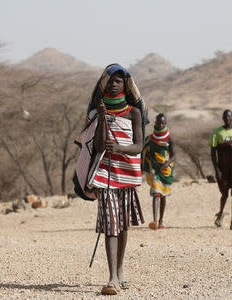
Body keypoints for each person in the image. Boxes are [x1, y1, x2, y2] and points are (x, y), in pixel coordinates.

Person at [76, 64, 146, 295]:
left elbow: (138, 146)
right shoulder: (98, 113)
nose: (114, 84)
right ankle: (112, 278)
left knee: (123, 225)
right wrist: (103, 119)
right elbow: (96, 145)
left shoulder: (133, 113)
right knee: (110, 226)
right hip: (105, 174)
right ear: (104, 85)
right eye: (111, 81)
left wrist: (118, 147)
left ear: (126, 85)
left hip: (126, 175)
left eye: (119, 80)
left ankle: (121, 271)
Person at [142, 113, 175, 230]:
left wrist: (167, 162)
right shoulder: (150, 138)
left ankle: (161, 220)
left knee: (163, 195)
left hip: (165, 169)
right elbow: (143, 149)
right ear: (155, 123)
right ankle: (154, 220)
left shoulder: (169, 138)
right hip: (154, 168)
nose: (160, 125)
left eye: (162, 123)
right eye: (158, 122)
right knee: (156, 193)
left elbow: (174, 155)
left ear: (165, 123)